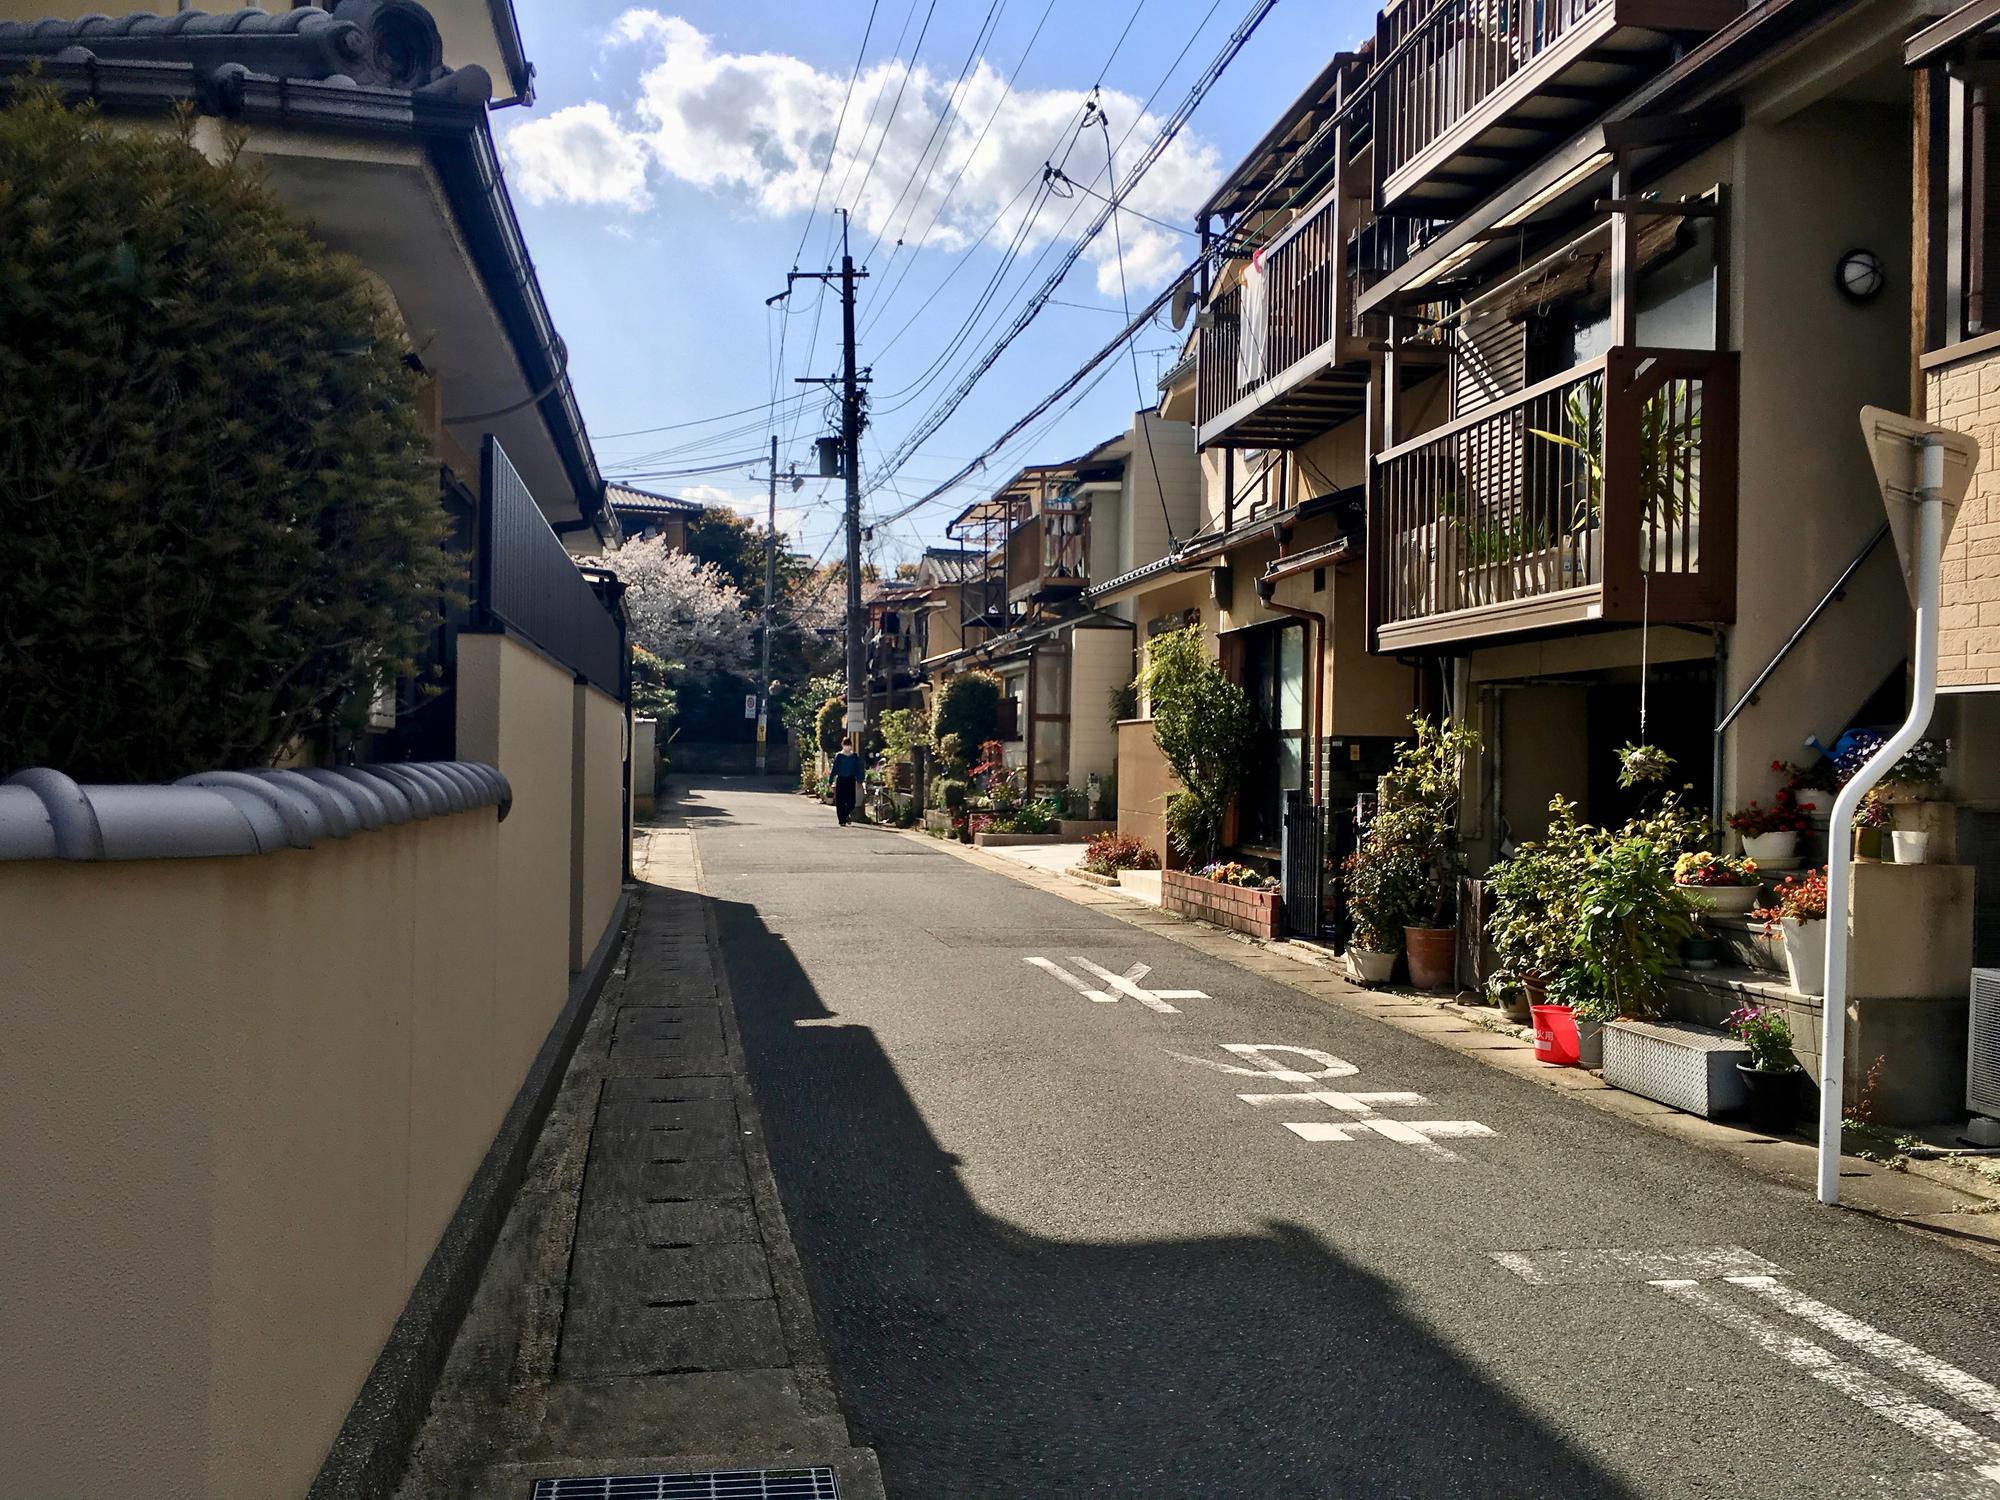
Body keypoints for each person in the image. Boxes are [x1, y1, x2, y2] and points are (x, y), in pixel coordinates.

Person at [830, 737, 864, 826]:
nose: (847, 746)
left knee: (851, 802)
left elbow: (858, 769)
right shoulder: (839, 756)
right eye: (845, 744)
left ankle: (845, 816)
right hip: (841, 779)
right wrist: (830, 780)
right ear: (842, 745)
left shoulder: (854, 756)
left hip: (851, 779)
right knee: (840, 801)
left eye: (848, 744)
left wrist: (859, 780)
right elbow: (835, 769)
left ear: (851, 746)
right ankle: (842, 820)